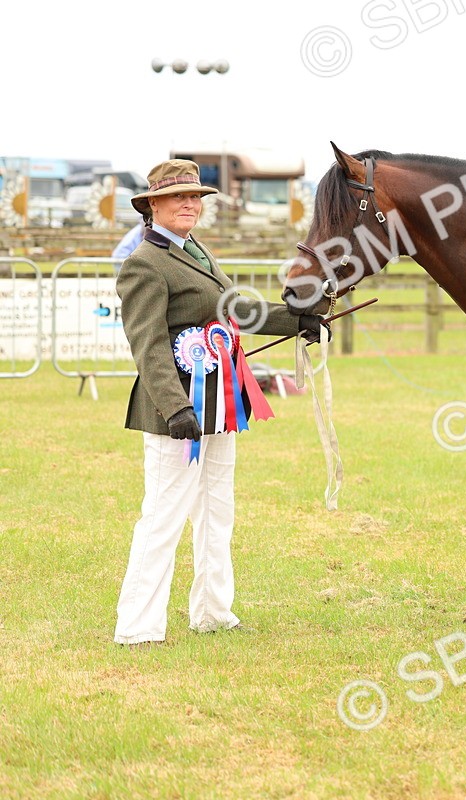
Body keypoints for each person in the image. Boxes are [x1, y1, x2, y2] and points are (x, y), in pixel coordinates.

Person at [113, 159, 329, 646]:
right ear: (152, 207)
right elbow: (147, 345)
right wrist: (175, 407)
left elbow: (236, 307)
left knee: (217, 509)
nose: (191, 204)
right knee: (164, 515)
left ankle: (213, 611)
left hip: (220, 405)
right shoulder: (144, 264)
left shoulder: (197, 252)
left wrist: (298, 321)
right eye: (179, 197)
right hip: (177, 413)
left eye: (197, 197)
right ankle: (138, 625)